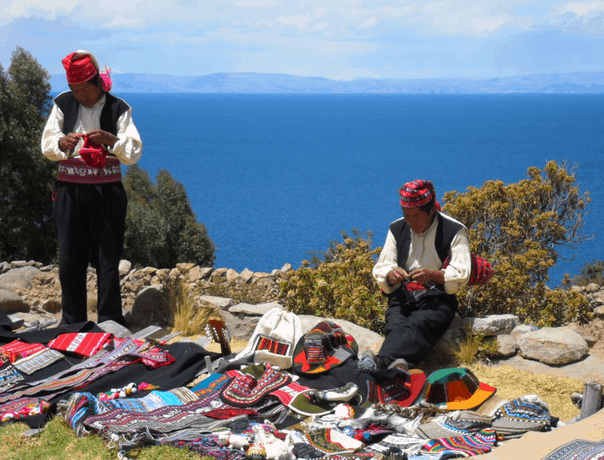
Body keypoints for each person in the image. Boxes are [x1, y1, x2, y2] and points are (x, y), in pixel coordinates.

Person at [41, 51, 143, 326]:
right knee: (69, 260)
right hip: (69, 193)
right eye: (75, 89)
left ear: (98, 82)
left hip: (107, 194)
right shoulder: (62, 104)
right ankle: (73, 322)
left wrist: (111, 140)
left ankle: (110, 322)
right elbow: (48, 143)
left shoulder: (119, 108)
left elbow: (133, 153)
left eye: (85, 88)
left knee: (107, 260)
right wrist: (62, 144)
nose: (80, 95)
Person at [361, 180, 472, 371]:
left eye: (416, 216)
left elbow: (462, 273)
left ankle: (381, 364)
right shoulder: (397, 228)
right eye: (407, 216)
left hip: (438, 298)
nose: (411, 222)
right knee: (394, 323)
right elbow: (383, 265)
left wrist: (433, 275)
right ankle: (396, 369)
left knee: (420, 323)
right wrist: (391, 274)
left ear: (431, 211)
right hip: (404, 295)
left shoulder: (454, 230)